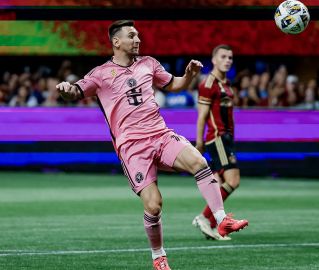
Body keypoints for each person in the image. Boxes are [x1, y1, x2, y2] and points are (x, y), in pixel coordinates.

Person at [55, 21, 248, 270]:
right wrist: (65, 89)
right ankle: (159, 256)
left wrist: (188, 74)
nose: (138, 39)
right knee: (154, 205)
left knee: (199, 162)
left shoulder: (149, 64)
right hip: (132, 147)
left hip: (160, 134)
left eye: (138, 35)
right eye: (132, 36)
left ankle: (221, 219)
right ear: (116, 42)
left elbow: (175, 84)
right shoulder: (100, 74)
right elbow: (75, 92)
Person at [193, 45, 242, 241]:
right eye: (223, 56)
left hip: (226, 138)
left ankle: (214, 226)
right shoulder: (208, 83)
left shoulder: (226, 83)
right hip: (218, 138)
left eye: (230, 57)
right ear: (213, 59)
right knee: (233, 181)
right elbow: (202, 116)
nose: (228, 60)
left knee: (219, 184)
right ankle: (204, 218)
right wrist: (199, 142)